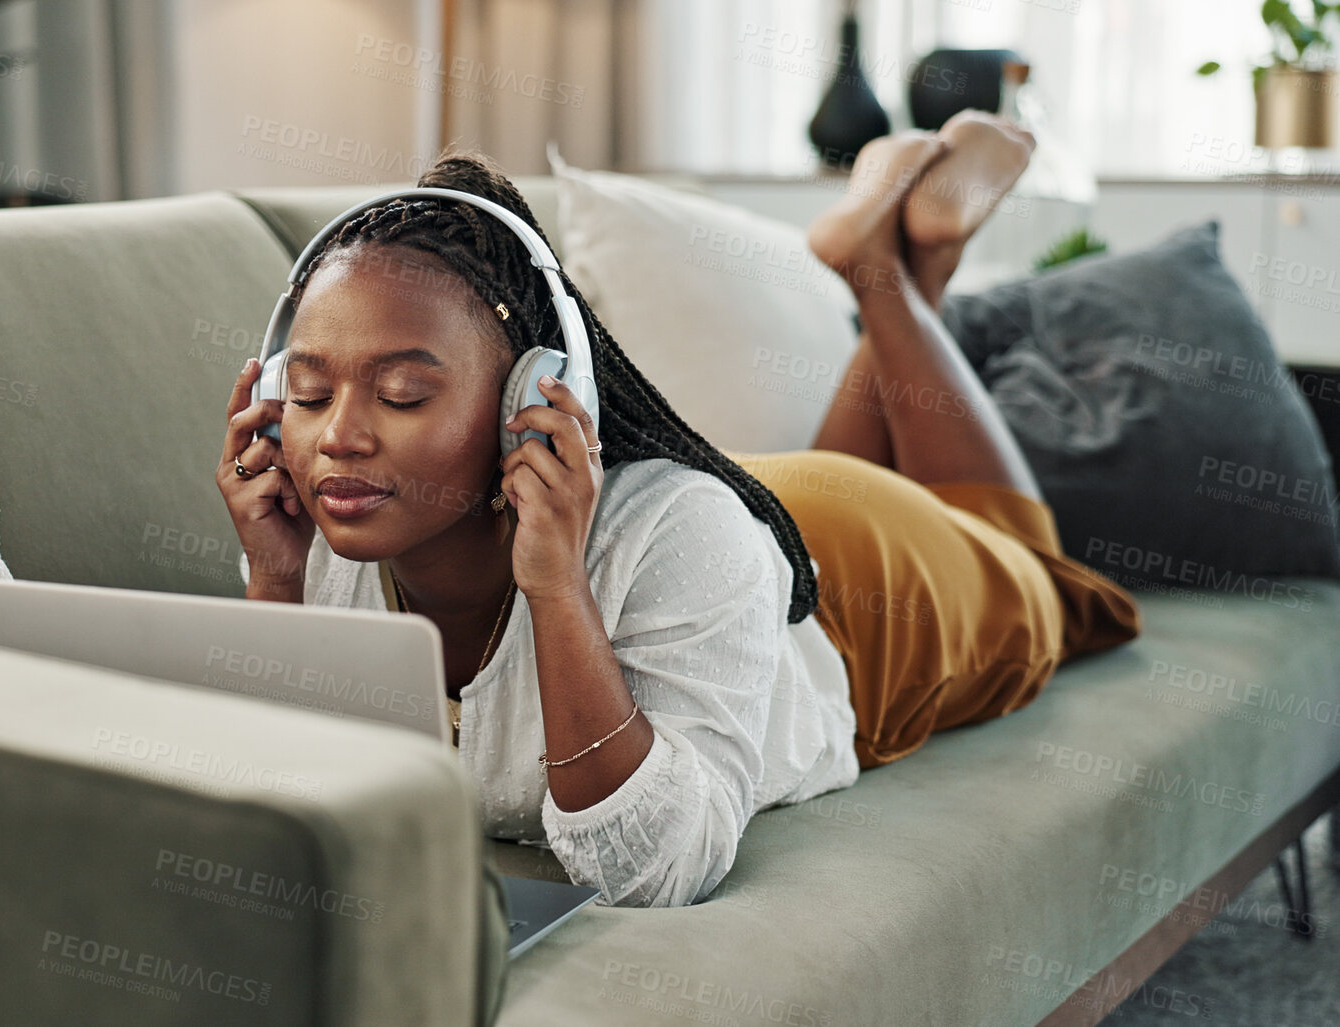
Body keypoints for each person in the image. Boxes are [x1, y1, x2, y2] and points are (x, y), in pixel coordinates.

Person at [214, 113, 1141, 910]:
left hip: (859, 592)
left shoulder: (686, 534)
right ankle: (894, 263)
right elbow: (273, 808)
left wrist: (556, 587)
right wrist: (275, 580)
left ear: (524, 404)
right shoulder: (326, 526)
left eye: (403, 394)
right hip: (749, 520)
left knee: (1043, 571)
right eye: (306, 390)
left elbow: (653, 868)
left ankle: (886, 276)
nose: (336, 436)